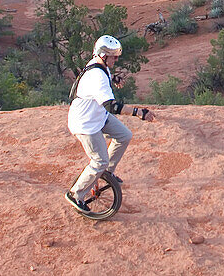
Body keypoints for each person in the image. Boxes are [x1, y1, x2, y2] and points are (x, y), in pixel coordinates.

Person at [66, 34, 156, 213]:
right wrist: (139, 112)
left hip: (98, 116)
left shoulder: (99, 65)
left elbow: (104, 78)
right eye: (113, 56)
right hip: (86, 124)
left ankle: (107, 173)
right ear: (102, 55)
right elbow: (111, 106)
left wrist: (114, 79)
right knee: (99, 161)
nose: (116, 59)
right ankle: (76, 194)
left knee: (124, 136)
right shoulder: (97, 76)